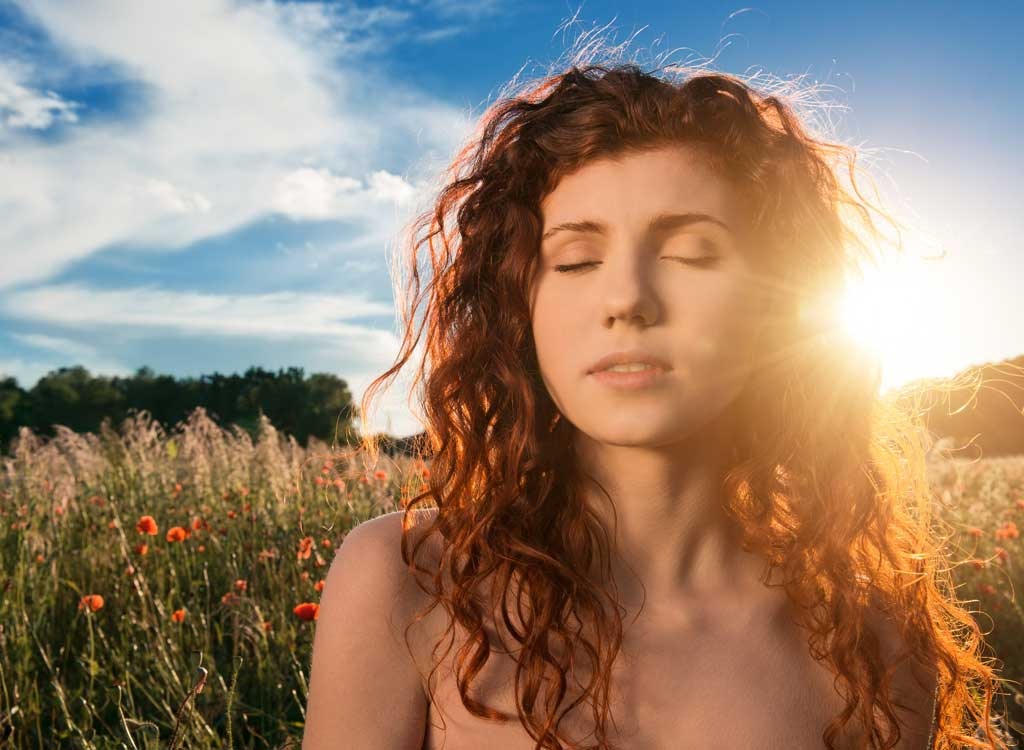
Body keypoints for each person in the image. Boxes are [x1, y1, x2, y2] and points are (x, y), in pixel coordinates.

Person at [302, 47, 1013, 750]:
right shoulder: (408, 584)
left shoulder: (877, 645)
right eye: (577, 260)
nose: (628, 300)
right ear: (523, 308)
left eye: (691, 254)